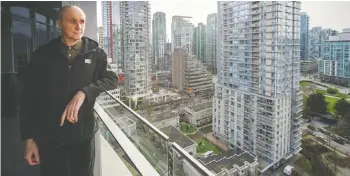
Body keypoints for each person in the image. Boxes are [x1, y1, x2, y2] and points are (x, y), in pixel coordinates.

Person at [19, 5, 118, 176]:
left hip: (82, 136)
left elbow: (112, 79)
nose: (78, 27)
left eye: (81, 22)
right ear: (59, 24)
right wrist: (28, 139)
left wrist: (85, 92)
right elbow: (28, 99)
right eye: (72, 21)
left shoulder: (95, 53)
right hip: (49, 138)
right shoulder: (42, 55)